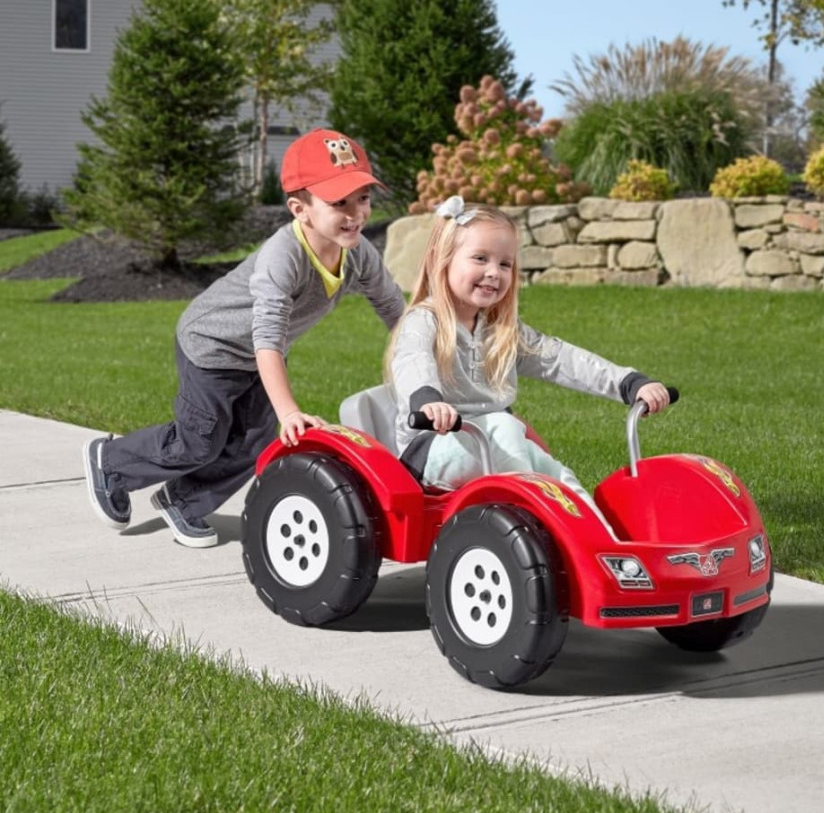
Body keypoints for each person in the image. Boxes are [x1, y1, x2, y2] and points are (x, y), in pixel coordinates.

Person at [83, 128, 405, 547]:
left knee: (253, 444)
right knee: (201, 439)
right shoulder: (283, 256)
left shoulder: (358, 252)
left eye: (362, 197)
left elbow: (394, 309)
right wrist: (289, 410)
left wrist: (426, 359)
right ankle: (113, 463)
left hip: (260, 354)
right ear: (300, 208)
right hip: (213, 345)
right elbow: (266, 336)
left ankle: (185, 500)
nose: (356, 213)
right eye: (338, 202)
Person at [387, 197, 670, 525]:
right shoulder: (425, 320)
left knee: (558, 477)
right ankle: (532, 526)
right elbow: (412, 359)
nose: (494, 272)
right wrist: (426, 399)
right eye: (480, 259)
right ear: (442, 260)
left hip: (495, 443)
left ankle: (602, 547)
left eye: (505, 264)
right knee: (508, 429)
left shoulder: (500, 331)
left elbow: (561, 359)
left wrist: (628, 382)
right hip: (435, 447)